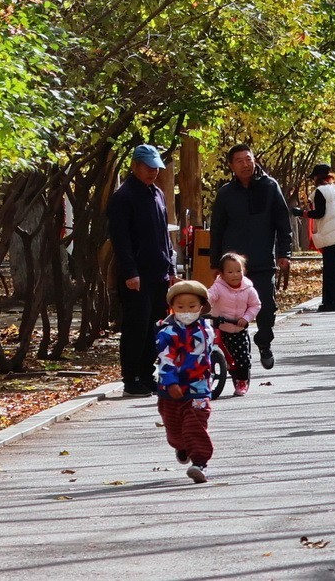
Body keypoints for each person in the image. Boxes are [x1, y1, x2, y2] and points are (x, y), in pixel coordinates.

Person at [210, 144, 292, 371]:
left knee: (266, 307)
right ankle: (232, 354)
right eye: (239, 160)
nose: (245, 164)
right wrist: (215, 263)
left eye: (248, 159)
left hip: (263, 260)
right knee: (229, 311)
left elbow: (282, 223)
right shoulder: (225, 193)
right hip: (232, 266)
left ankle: (264, 342)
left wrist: (285, 252)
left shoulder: (269, 186)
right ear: (231, 166)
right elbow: (216, 229)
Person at [106, 144, 178, 397]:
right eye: (148, 167)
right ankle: (132, 377)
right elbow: (121, 239)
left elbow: (163, 235)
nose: (153, 173)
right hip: (136, 275)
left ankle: (147, 375)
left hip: (158, 272)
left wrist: (170, 267)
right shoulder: (123, 197)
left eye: (156, 168)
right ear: (135, 166)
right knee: (136, 327)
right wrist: (129, 272)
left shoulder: (157, 193)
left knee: (154, 326)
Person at [156, 280, 216, 483]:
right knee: (175, 431)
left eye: (192, 306)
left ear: (201, 307)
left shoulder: (206, 330)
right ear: (172, 308)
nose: (186, 311)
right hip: (170, 390)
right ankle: (181, 446)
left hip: (198, 387)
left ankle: (199, 463)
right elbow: (166, 359)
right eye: (180, 307)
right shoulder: (167, 333)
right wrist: (170, 382)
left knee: (195, 424)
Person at [292, 163, 335, 312]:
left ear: (317, 178)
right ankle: (331, 301)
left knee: (331, 271)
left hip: (331, 234)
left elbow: (320, 213)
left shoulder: (320, 191)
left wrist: (302, 213)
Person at [207, 252, 260, 396]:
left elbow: (255, 305)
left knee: (242, 358)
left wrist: (246, 318)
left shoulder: (248, 289)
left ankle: (242, 381)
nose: (235, 275)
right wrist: (202, 303)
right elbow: (210, 296)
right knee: (208, 351)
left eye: (238, 271)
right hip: (221, 328)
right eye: (230, 272)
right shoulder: (218, 287)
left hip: (239, 328)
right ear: (222, 274)